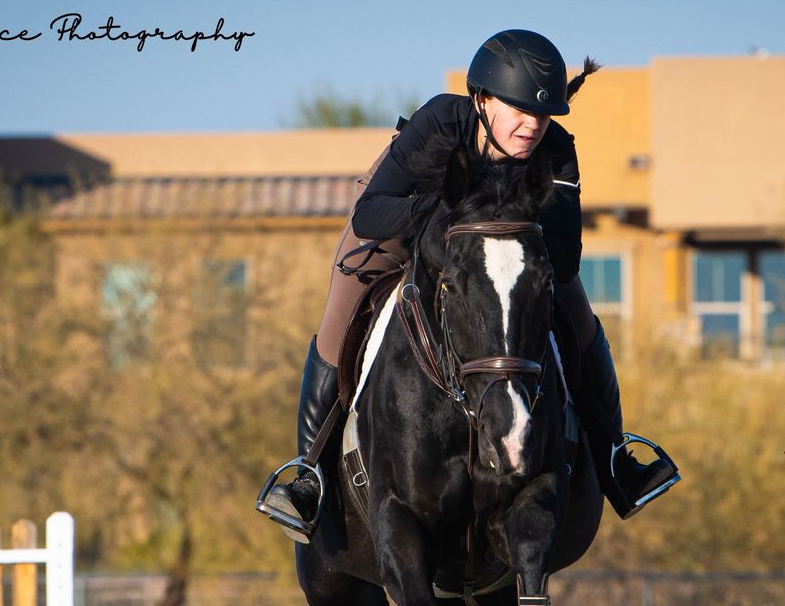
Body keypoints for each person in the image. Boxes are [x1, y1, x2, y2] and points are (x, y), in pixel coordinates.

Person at [258, 29, 679, 542]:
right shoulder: (440, 121)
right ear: (481, 100)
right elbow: (371, 214)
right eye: (519, 110)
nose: (533, 126)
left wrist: (512, 233)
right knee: (341, 318)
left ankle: (616, 457)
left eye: (543, 114)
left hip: (506, 249)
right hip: (403, 224)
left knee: (579, 318)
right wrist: (442, 215)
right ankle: (309, 475)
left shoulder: (556, 150)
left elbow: (565, 257)